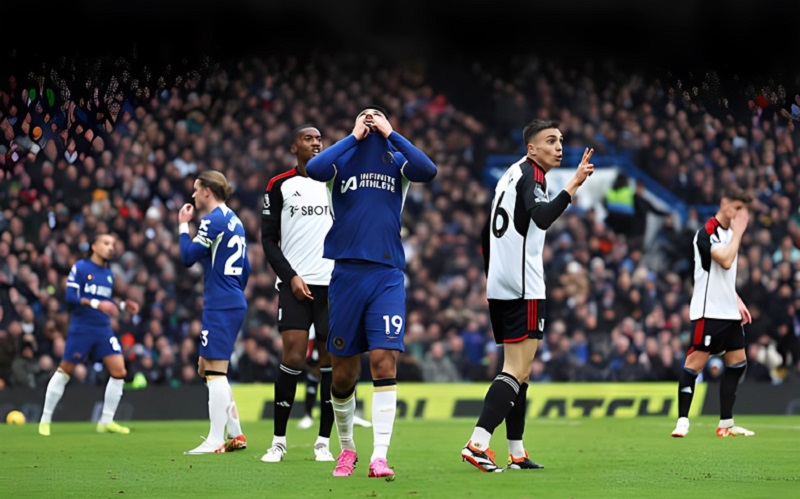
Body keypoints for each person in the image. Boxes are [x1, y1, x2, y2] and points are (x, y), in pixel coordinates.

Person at [306, 105, 437, 479]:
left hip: (387, 274)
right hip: (346, 275)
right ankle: (347, 449)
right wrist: (352, 136)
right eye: (365, 115)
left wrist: (392, 132)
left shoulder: (396, 160)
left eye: (375, 116)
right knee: (344, 374)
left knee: (383, 360)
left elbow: (428, 170)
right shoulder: (341, 159)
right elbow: (314, 169)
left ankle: (379, 455)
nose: (370, 120)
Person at [462, 119, 594, 472]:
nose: (558, 146)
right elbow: (544, 216)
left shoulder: (509, 175)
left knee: (521, 373)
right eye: (550, 141)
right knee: (515, 369)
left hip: (502, 285)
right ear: (531, 148)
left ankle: (516, 453)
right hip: (524, 286)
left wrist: (494, 276)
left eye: (561, 140)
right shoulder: (533, 176)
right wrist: (574, 184)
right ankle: (478, 443)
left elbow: (484, 231)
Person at [259, 125, 336, 463]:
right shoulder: (279, 185)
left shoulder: (335, 180)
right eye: (308, 139)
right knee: (293, 358)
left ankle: (323, 442)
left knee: (331, 363)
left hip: (333, 285)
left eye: (319, 139)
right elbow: (268, 239)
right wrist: (289, 276)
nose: (316, 143)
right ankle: (278, 441)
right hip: (295, 285)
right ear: (294, 147)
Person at [671, 187, 755, 438]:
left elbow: (724, 276)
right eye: (738, 208)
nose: (742, 215)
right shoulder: (707, 233)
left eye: (744, 210)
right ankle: (683, 421)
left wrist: (736, 299)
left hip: (729, 311)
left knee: (738, 363)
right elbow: (725, 260)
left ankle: (726, 424)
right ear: (725, 203)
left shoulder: (730, 233)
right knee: (693, 365)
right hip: (709, 313)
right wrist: (739, 233)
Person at [38, 232, 141, 436]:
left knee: (119, 371)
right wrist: (97, 304)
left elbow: (104, 300)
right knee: (65, 370)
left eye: (113, 243)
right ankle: (45, 418)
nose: (111, 247)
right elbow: (71, 297)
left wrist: (121, 305)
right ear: (94, 246)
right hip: (82, 327)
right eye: (106, 243)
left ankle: (106, 421)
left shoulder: (109, 274)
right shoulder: (81, 267)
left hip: (103, 327)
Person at [179, 170, 251, 454]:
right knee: (205, 367)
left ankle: (214, 439)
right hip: (231, 298)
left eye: (196, 189)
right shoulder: (234, 219)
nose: (193, 195)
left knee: (215, 371)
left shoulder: (212, 220)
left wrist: (183, 226)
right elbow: (245, 268)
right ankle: (236, 434)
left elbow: (187, 257)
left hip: (221, 302)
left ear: (208, 190)